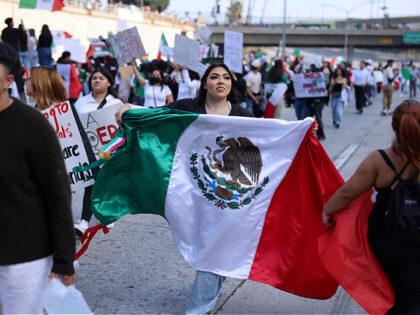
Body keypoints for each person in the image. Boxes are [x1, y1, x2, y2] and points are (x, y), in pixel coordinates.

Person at [116, 63, 318, 315]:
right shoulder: (188, 109)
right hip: (194, 195)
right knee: (214, 248)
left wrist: (301, 132)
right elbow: (155, 116)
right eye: (214, 76)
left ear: (231, 84)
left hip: (231, 198)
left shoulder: (242, 115)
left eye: (226, 77)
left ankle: (197, 310)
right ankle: (212, 285)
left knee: (216, 248)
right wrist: (129, 109)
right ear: (204, 83)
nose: (221, 81)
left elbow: (267, 140)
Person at [322, 99, 420, 315]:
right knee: (414, 295)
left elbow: (347, 193)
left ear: (393, 126)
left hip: (386, 238)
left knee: (388, 292)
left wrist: (328, 211)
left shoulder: (380, 159)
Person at [0, 42, 75, 314]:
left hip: (24, 258)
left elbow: (57, 193)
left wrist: (64, 258)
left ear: (8, 80)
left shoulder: (32, 126)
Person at [74, 67, 123, 236]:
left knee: (108, 183)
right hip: (88, 151)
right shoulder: (80, 103)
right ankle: (84, 221)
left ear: (109, 82)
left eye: (102, 78)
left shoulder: (116, 104)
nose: (97, 80)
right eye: (94, 78)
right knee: (90, 184)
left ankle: (108, 215)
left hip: (111, 151)